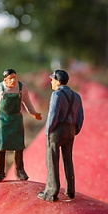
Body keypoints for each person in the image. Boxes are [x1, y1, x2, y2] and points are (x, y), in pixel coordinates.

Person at [0, 68, 42, 182]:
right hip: (2, 122)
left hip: (16, 120)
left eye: (15, 78)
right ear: (5, 80)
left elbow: (27, 101)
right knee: (0, 147)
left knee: (19, 147)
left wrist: (33, 113)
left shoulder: (22, 87)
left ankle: (19, 170)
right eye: (10, 79)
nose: (13, 81)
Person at [38, 69, 84, 202]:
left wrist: (48, 130)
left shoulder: (56, 95)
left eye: (52, 80)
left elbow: (53, 114)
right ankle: (70, 190)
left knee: (52, 160)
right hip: (70, 130)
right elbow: (80, 117)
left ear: (58, 81)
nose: (51, 82)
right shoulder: (77, 96)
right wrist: (75, 130)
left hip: (57, 129)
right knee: (68, 160)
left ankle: (51, 191)